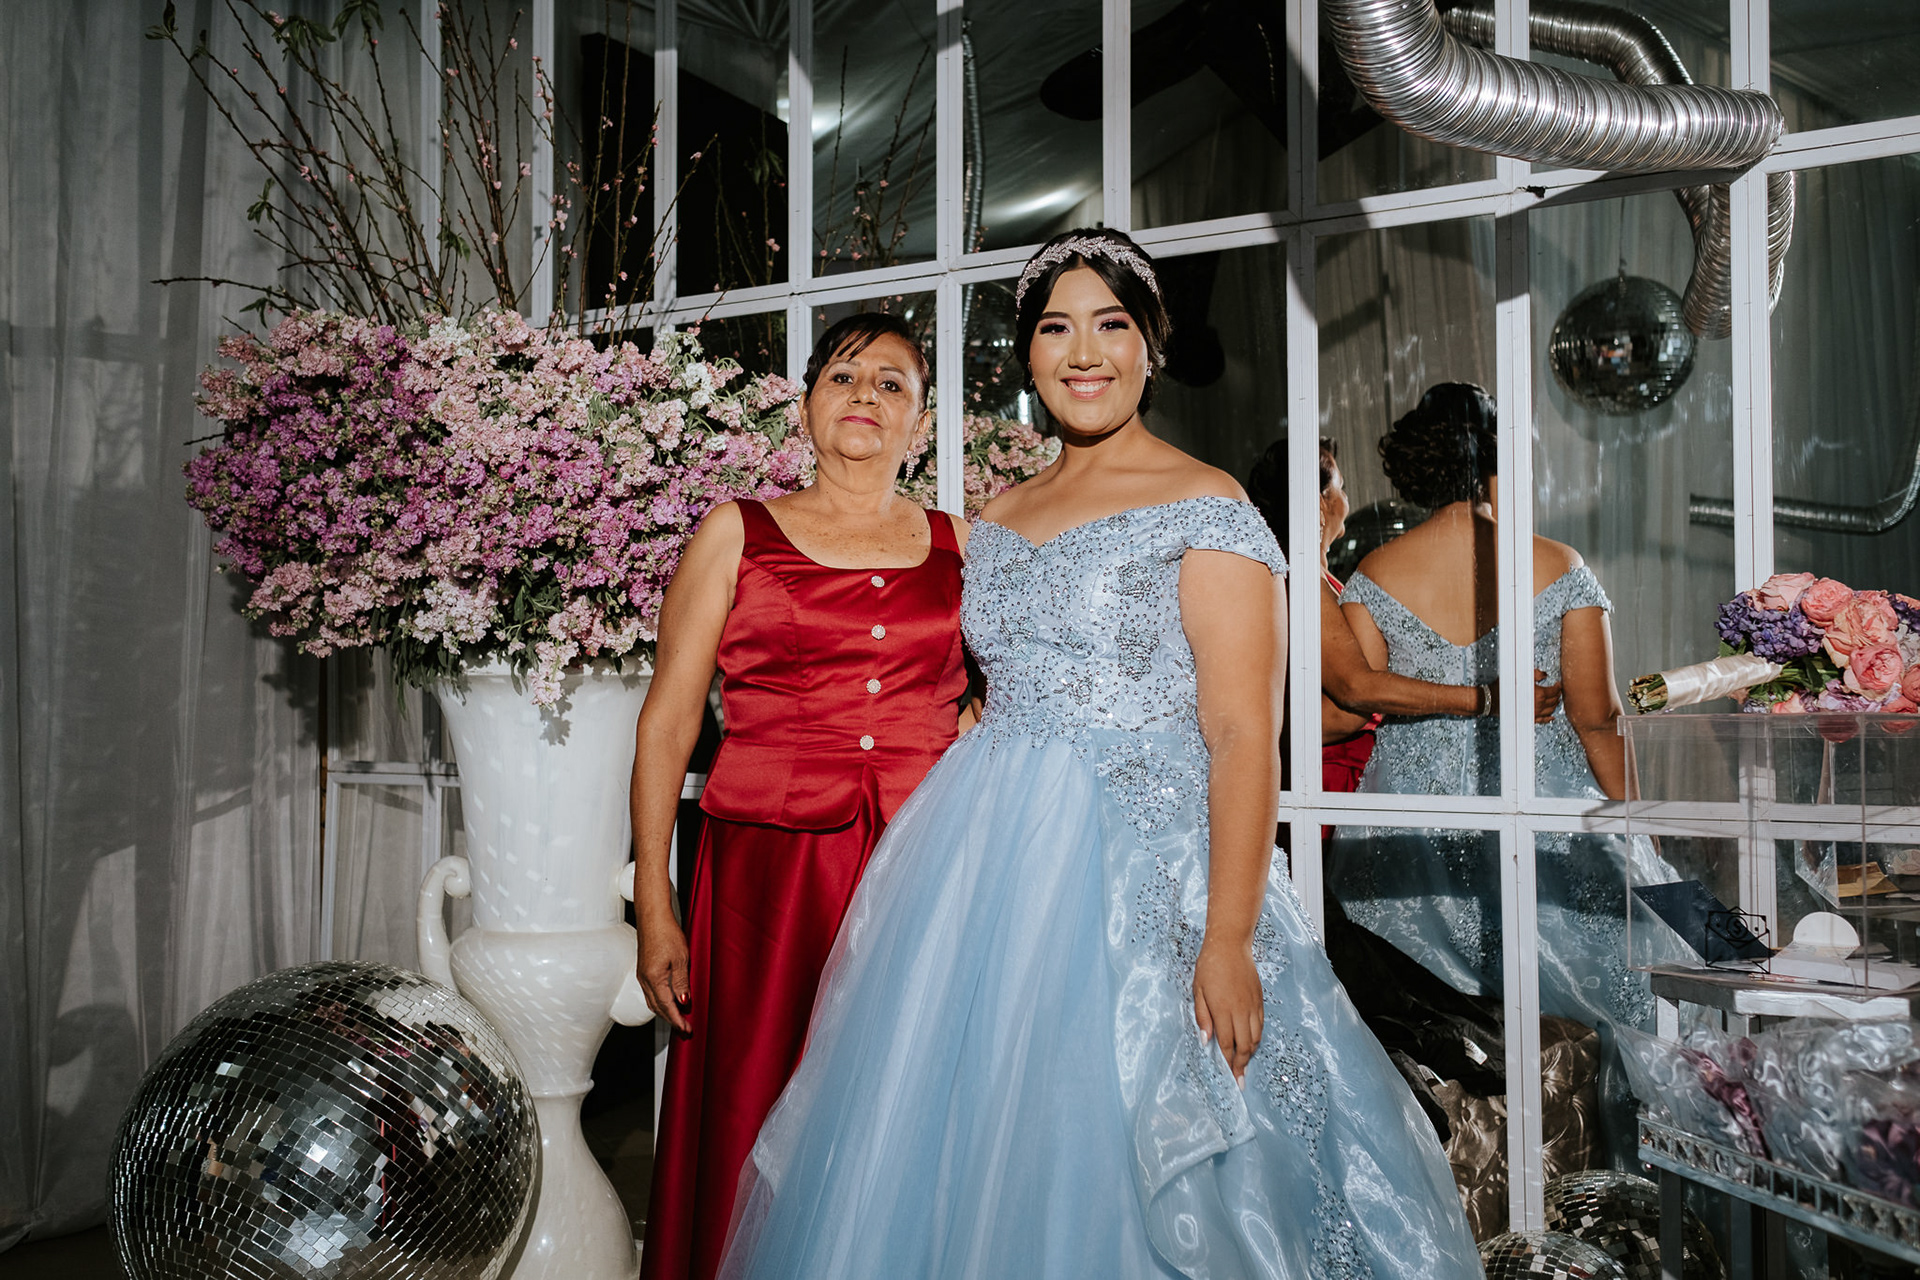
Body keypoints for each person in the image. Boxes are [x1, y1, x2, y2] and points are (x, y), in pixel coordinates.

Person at [715, 229, 1480, 1279]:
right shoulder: (997, 517)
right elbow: (981, 690)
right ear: (1027, 355)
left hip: (1151, 876)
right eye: (1056, 329)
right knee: (972, 1149)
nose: (1083, 353)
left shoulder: (1209, 505)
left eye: (1110, 325)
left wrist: (1227, 935)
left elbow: (1242, 733)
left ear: (1150, 348)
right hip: (985, 874)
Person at [629, 313, 968, 1280]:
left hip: (922, 869)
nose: (866, 396)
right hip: (766, 882)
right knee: (756, 1094)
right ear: (807, 404)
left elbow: (1002, 705)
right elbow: (668, 721)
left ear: (921, 424)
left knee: (903, 1099)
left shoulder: (967, 546)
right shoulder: (736, 531)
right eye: (844, 376)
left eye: (892, 384)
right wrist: (654, 902)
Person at [1326, 381, 1673, 1165]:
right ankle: (1608, 1185)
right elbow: (1597, 719)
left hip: (1408, 831)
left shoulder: (1375, 573)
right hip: (1536, 812)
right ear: (1496, 463)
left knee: (1427, 1029)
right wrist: (1640, 827)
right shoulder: (1556, 563)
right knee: (1620, 1009)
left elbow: (1355, 704)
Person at [1245, 437, 1560, 807]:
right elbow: (1352, 692)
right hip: (1329, 776)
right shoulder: (1300, 581)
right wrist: (1486, 698)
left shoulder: (1310, 580)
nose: (1347, 500)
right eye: (1342, 488)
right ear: (1319, 504)